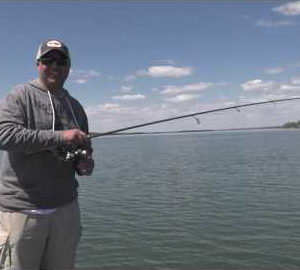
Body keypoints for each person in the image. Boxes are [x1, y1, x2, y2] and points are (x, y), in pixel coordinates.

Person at [0, 38, 94, 269]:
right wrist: (61, 136)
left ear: (69, 67)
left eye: (61, 61)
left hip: (66, 209)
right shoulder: (19, 95)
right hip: (22, 210)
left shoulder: (76, 106)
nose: (55, 65)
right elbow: (5, 135)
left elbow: (84, 151)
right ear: (38, 64)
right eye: (48, 59)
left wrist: (84, 164)